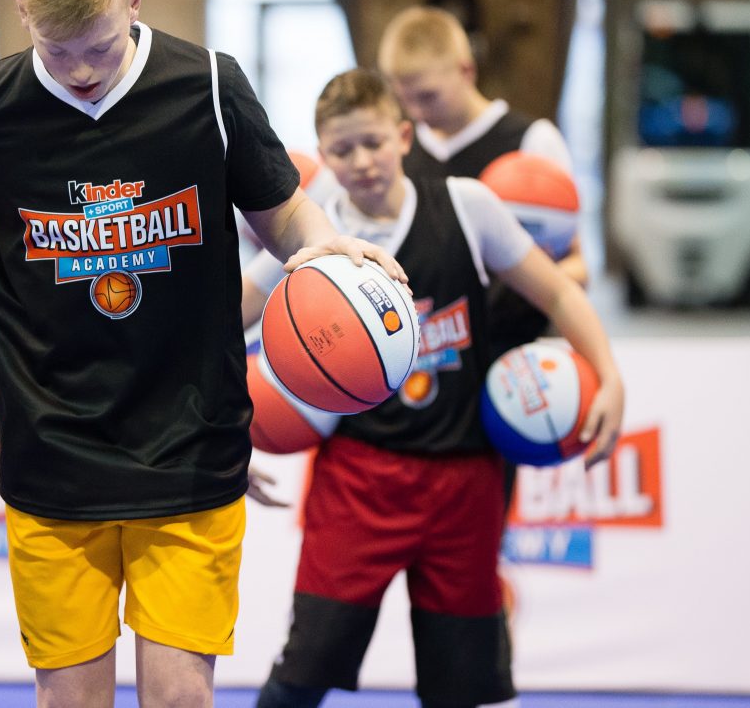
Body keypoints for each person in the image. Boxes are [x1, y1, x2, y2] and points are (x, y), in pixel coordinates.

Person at [0, 0, 406, 708]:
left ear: (133, 1)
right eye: (59, 51)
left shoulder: (208, 85)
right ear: (24, 11)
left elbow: (284, 214)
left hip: (190, 442)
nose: (81, 70)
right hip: (50, 447)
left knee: (178, 698)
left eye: (99, 47)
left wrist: (327, 247)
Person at [243, 68, 624, 708]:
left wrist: (608, 374)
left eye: (372, 142)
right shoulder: (312, 241)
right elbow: (225, 320)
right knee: (302, 674)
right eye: (341, 149)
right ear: (321, 151)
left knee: (465, 690)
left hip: (465, 482)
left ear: (403, 136)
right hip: (360, 481)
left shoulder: (468, 204)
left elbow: (557, 289)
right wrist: (224, 428)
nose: (360, 161)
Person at [377, 5, 588, 359]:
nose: (415, 112)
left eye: (427, 96)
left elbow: (580, 266)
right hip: (432, 360)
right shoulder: (400, 152)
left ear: (467, 70)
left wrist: (522, 277)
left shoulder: (533, 142)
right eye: (404, 99)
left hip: (517, 351)